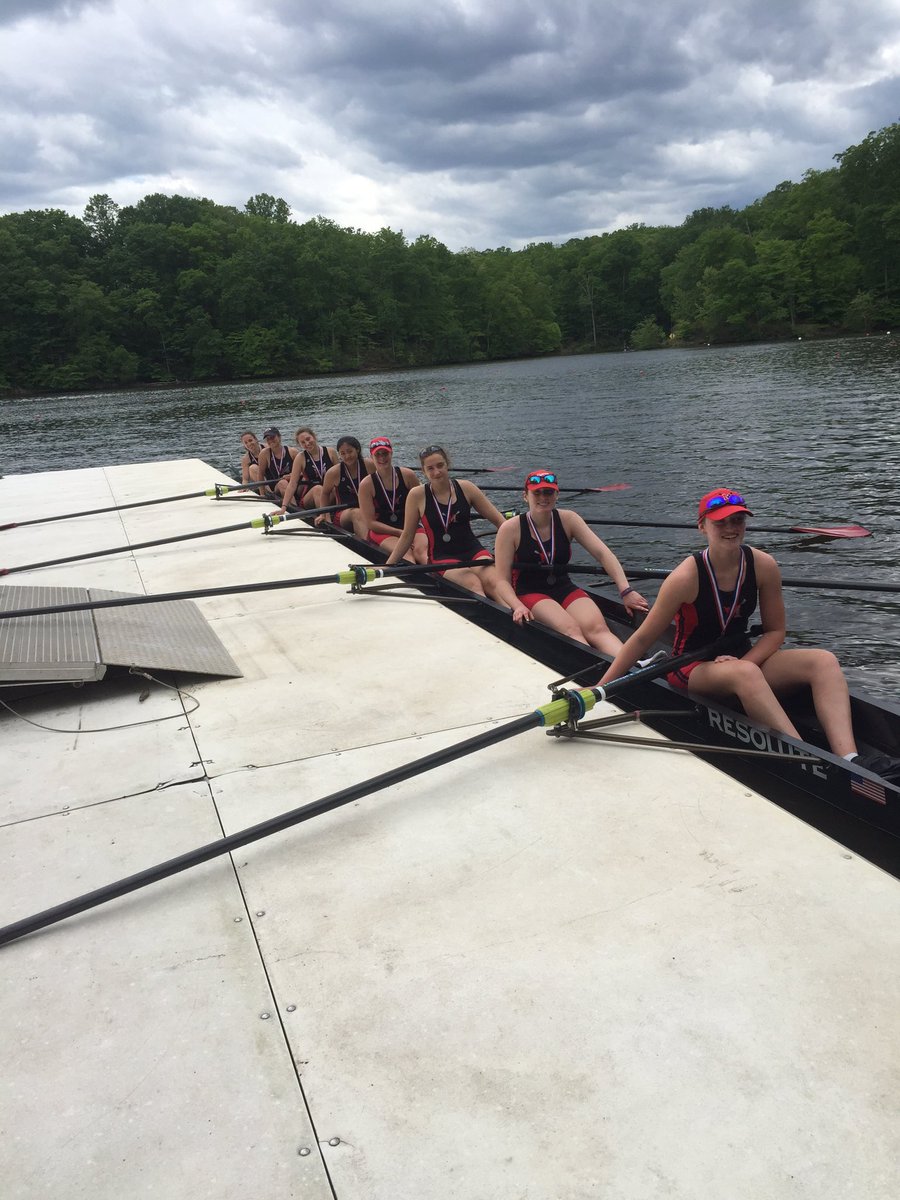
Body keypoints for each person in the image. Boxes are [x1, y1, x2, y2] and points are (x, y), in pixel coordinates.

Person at [598, 487, 900, 779]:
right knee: (745, 673)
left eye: (738, 520)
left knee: (823, 660)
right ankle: (811, 762)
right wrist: (600, 688)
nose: (731, 528)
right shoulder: (685, 578)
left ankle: (849, 758)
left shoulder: (763, 565)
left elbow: (775, 631)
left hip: (742, 661)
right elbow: (643, 638)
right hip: (691, 668)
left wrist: (747, 661)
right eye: (721, 522)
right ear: (702, 526)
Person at [493, 470, 648, 655]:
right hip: (529, 591)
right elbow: (501, 580)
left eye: (548, 492)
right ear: (525, 496)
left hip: (563, 586)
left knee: (597, 628)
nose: (543, 497)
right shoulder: (510, 529)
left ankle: (632, 665)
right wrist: (517, 606)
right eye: (537, 493)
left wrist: (625, 590)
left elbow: (603, 554)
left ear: (557, 495)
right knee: (570, 628)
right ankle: (599, 666)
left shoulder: (569, 519)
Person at [385, 444, 505, 598]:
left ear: (447, 464)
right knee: (473, 584)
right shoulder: (416, 495)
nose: (436, 472)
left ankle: (518, 612)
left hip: (474, 551)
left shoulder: (467, 488)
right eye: (430, 468)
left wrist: (507, 553)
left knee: (496, 583)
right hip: (442, 557)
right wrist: (388, 566)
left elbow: (500, 521)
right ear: (424, 471)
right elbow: (408, 535)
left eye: (440, 465)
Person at [358, 436, 428, 563]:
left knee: (422, 553)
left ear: (391, 453)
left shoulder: (408, 475)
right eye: (377, 454)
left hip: (410, 527)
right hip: (382, 530)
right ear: (371, 457)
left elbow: (423, 508)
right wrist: (399, 532)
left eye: (385, 453)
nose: (382, 458)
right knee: (407, 556)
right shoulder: (366, 485)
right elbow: (370, 523)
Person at [317, 436, 374, 538]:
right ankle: (369, 543)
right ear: (339, 454)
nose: (347, 456)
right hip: (344, 513)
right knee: (357, 513)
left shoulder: (370, 465)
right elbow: (325, 494)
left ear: (357, 450)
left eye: (350, 451)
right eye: (343, 453)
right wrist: (323, 515)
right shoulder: (333, 472)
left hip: (369, 509)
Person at [278, 426, 339, 514]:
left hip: (328, 494)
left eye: (308, 439)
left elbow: (340, 476)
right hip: (310, 497)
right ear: (300, 445)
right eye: (303, 442)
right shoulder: (300, 458)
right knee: (318, 489)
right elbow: (292, 484)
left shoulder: (331, 452)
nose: (307, 443)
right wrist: (284, 507)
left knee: (335, 488)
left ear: (314, 437)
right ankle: (326, 519)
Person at [257, 427, 300, 507]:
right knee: (282, 483)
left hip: (293, 484)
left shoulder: (292, 452)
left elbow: (303, 472)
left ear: (279, 437)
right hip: (276, 487)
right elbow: (260, 475)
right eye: (268, 439)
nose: (270, 440)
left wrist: (292, 475)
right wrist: (262, 495)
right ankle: (296, 509)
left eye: (272, 437)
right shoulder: (264, 454)